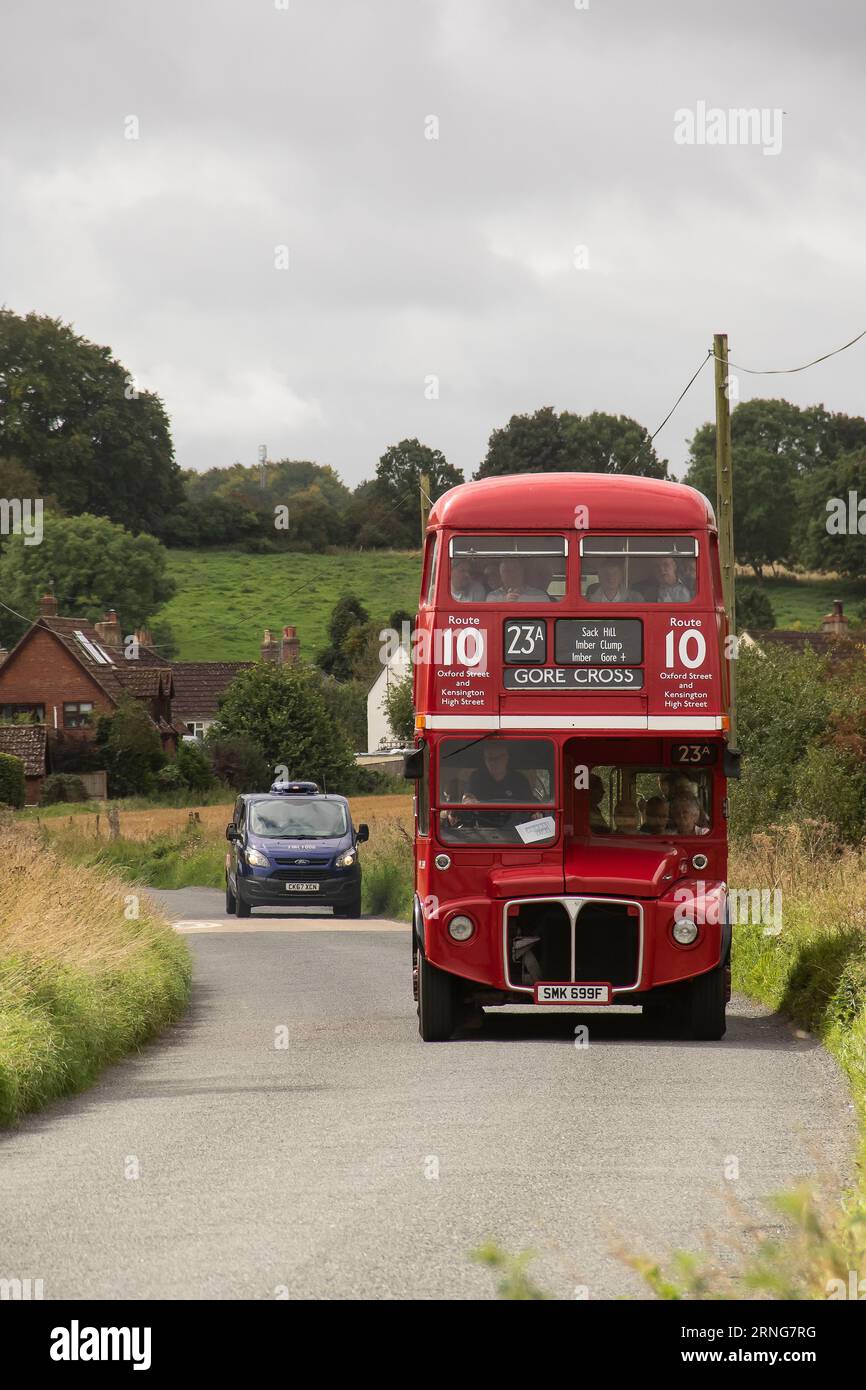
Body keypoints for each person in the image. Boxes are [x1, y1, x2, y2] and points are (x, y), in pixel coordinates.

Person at [485, 557, 552, 602]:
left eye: (515, 570)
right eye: (506, 571)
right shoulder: (493, 596)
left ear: (522, 572)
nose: (511, 574)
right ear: (501, 575)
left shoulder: (539, 596)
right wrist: (505, 602)